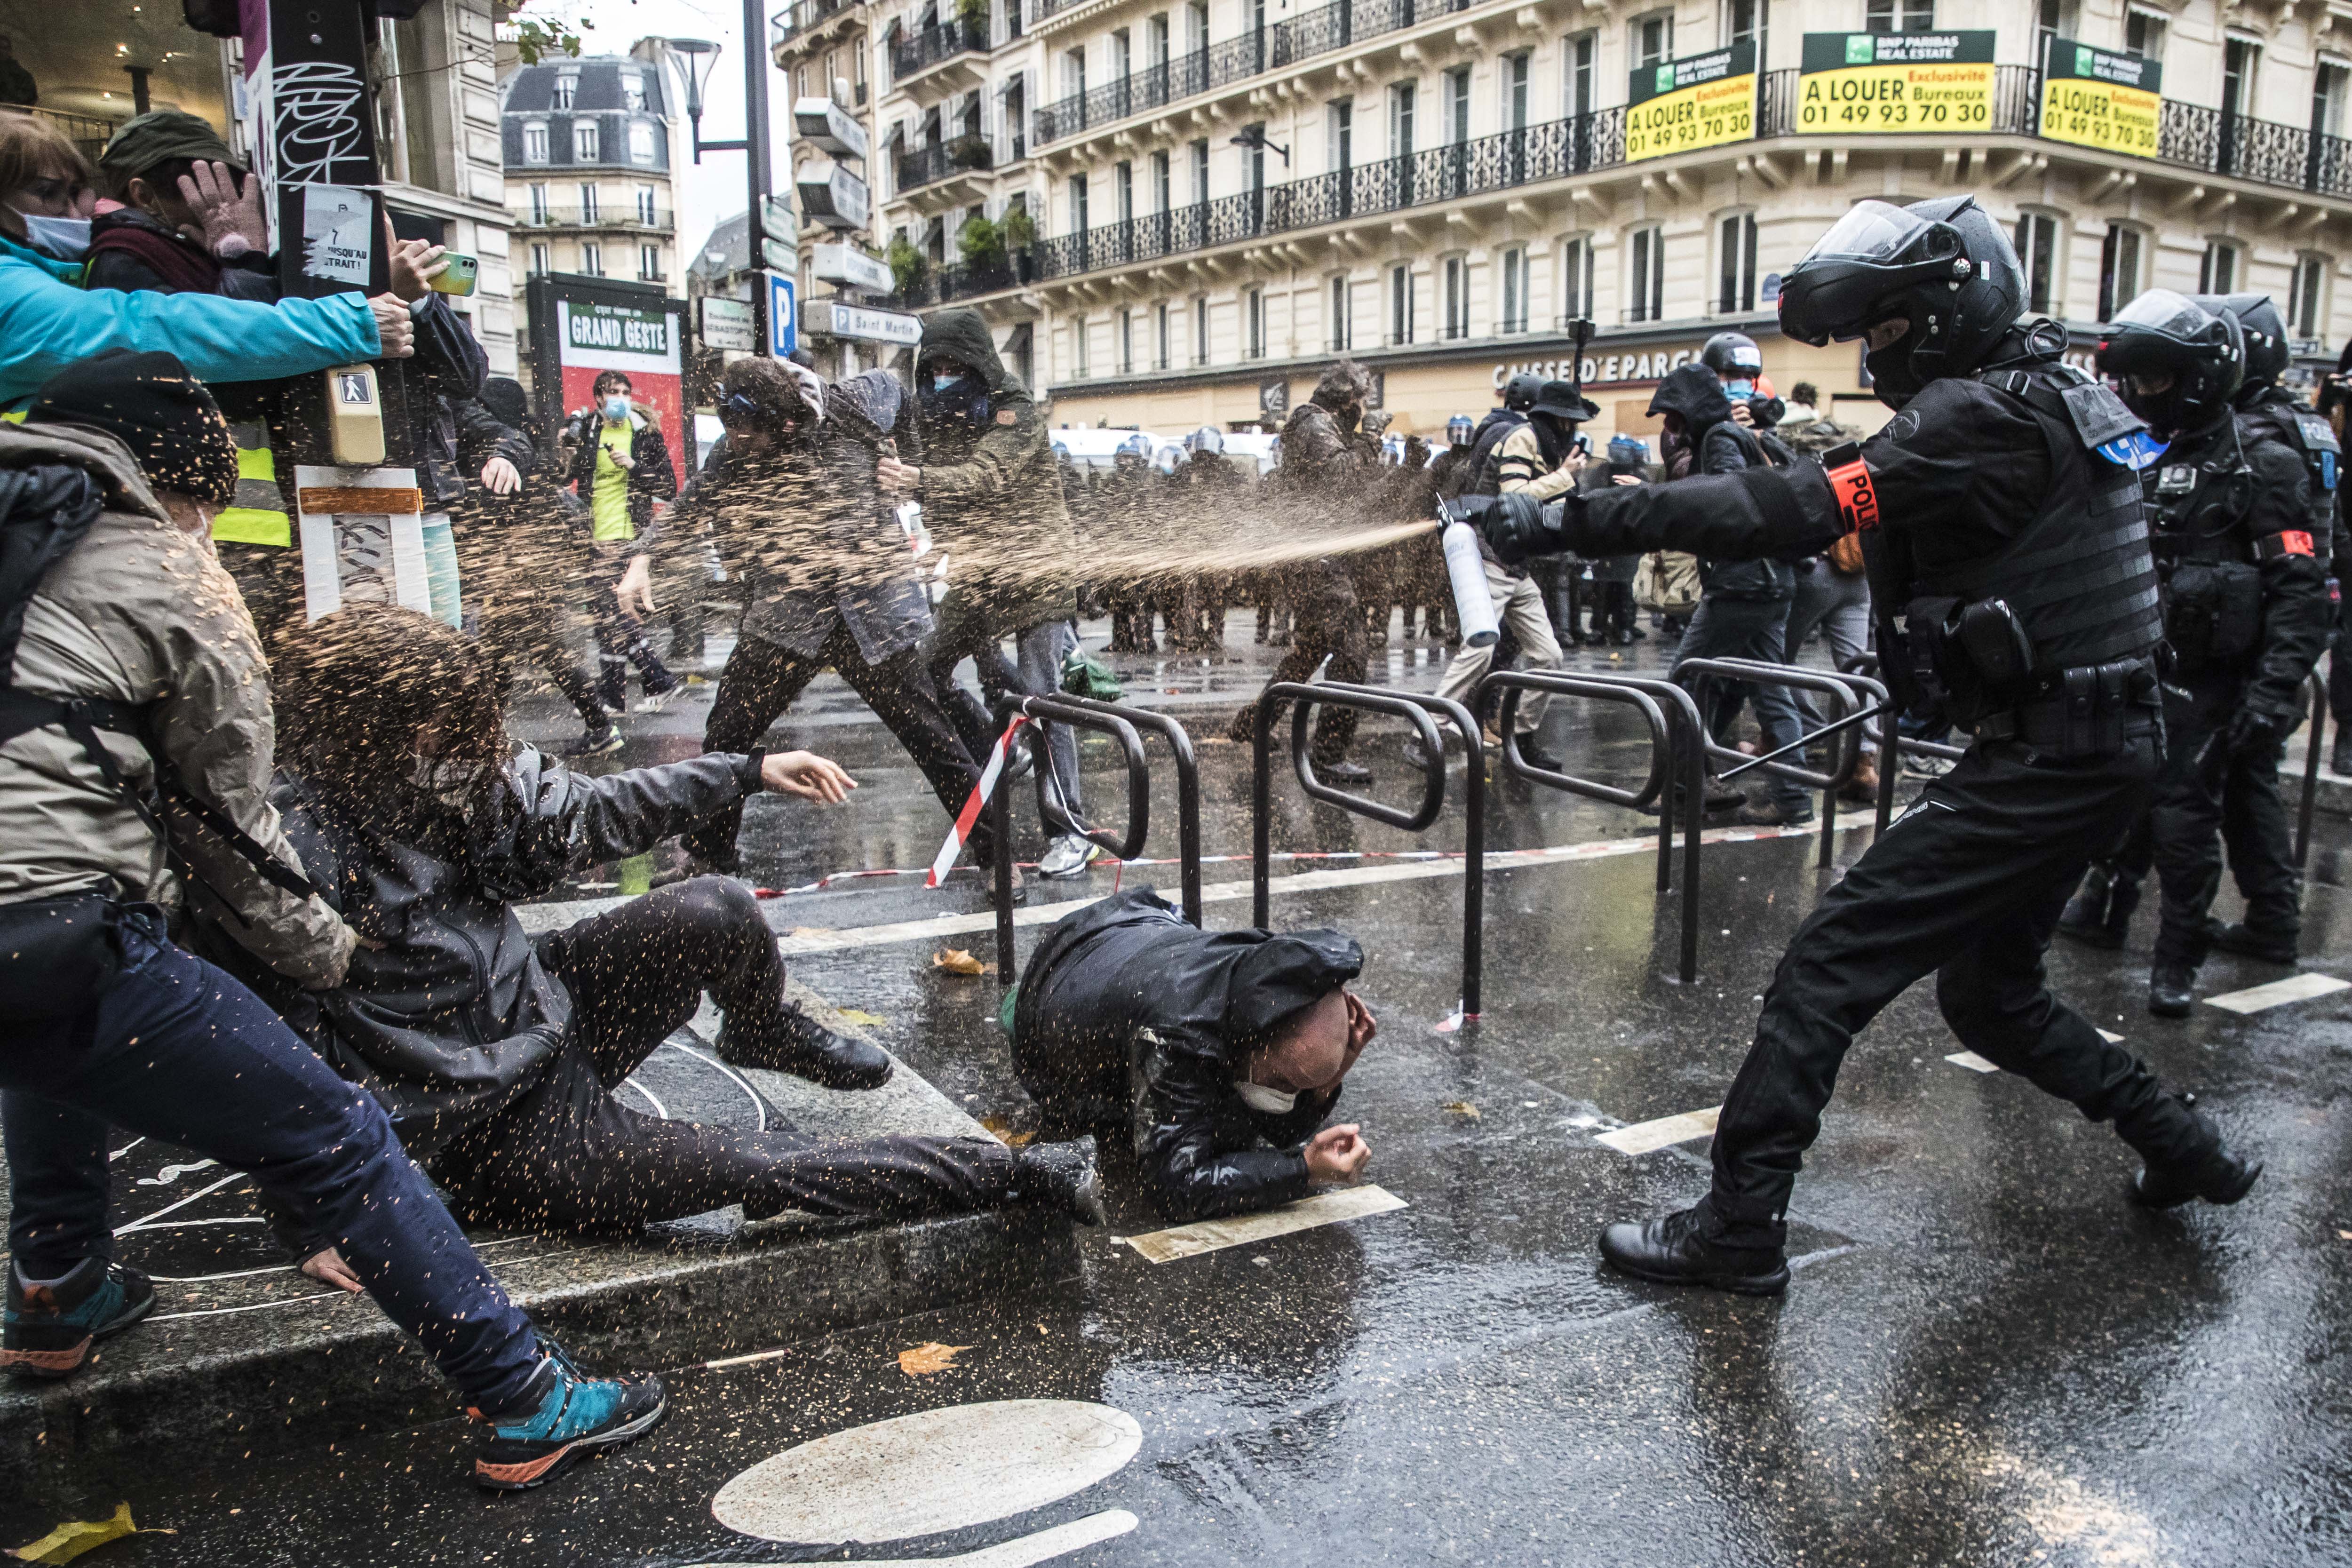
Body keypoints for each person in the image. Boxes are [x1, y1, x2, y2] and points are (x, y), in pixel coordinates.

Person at [1464, 195, 2257, 1295]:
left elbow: (1786, 507)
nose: (1875, 353)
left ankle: (1739, 1229)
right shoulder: (2058, 396)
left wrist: (1566, 522)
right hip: (2093, 743)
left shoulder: (1978, 418)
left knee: (1826, 963)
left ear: (1942, 310)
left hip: (2052, 753)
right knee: (1993, 997)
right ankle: (2187, 1149)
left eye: (1884, 329)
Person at [0, 351, 656, 1489]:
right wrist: (325, 952)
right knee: (337, 1136)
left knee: (46, 1046)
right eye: (209, 504)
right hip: (49, 917)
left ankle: (58, 1288)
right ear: (173, 480)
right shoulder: (155, 561)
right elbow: (229, 820)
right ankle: (524, 1397)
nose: (210, 529)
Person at [205, 604, 1105, 1247]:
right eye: (455, 738)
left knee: (717, 904)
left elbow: (587, 810)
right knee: (759, 1165)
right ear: (373, 734)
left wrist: (747, 769)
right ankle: (1022, 1173)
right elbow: (259, 1038)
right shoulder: (277, 850)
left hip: (540, 1014)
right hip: (484, 1130)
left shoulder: (459, 764)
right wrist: (324, 1205)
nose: (481, 756)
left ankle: (760, 1029)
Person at [2052, 291, 2330, 1015]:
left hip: (2214, 679)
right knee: (2120, 795)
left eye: (2157, 382)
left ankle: (2177, 960)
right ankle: (2106, 911)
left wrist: (2273, 693)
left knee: (2184, 820)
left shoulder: (2263, 463)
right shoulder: (2144, 451)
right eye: (2138, 383)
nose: (2145, 396)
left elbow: (2299, 590)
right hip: (2142, 664)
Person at [668, 358, 994, 881]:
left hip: (870, 616)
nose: (744, 441)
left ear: (789, 420)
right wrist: (642, 559)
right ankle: (710, 856)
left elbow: (902, 397)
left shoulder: (862, 399)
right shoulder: (735, 445)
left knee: (932, 739)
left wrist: (905, 470)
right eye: (736, 431)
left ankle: (996, 852)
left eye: (759, 433)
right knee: (727, 734)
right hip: (786, 619)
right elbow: (693, 502)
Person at [0, 111, 415, 408]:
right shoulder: (22, 288)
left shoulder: (53, 271)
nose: (75, 214)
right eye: (49, 193)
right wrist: (349, 322)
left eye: (77, 194)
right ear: (145, 196)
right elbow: (157, 329)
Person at [878, 308, 1092, 882]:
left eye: (954, 366)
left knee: (1044, 699)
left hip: (1038, 572)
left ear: (977, 364)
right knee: (925, 669)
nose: (943, 376)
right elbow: (955, 503)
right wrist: (939, 547)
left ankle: (1070, 830)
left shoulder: (1015, 410)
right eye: (935, 367)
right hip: (981, 574)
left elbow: (988, 477)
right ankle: (1002, 747)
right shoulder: (940, 416)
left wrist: (916, 481)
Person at [1009, 889, 1374, 1218]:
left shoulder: (1275, 973)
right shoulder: (1176, 1033)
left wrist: (1329, 1079)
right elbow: (1177, 1187)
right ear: (1253, 1037)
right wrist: (1303, 1170)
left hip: (1138, 930)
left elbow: (1275, 1124)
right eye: (1283, 1080)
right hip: (1053, 990)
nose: (1287, 1095)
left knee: (1229, 1118)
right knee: (1220, 1127)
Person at [2202, 293, 2338, 964]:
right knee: (2240, 780)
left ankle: (2274, 920)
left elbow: (2296, 569)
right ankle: (2271, 917)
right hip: (2272, 627)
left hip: (2260, 635)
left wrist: (2272, 682)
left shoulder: (2259, 438)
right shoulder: (2301, 424)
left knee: (2241, 779)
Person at [1650, 360, 1811, 826]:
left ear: (1688, 410)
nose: (1669, 428)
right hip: (1771, 581)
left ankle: (1689, 787)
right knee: (1770, 692)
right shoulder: (1738, 436)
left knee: (1682, 685)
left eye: (1671, 417)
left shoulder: (1719, 438)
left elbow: (1728, 502)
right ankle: (1793, 799)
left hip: (1742, 583)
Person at [1421, 377, 1584, 771]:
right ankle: (1426, 732)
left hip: (1517, 565)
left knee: (1549, 656)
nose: (1573, 430)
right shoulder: (1522, 438)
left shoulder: (1542, 443)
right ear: (1556, 420)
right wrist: (1565, 476)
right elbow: (1512, 499)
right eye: (1568, 422)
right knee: (1479, 651)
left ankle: (1521, 736)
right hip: (1493, 559)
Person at [1228, 359, 1379, 782]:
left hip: (1313, 557)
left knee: (1310, 651)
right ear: (1347, 397)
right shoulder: (1316, 426)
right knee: (1350, 654)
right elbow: (1338, 478)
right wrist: (1370, 440)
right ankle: (1328, 755)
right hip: (1316, 562)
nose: (1363, 408)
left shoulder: (1316, 426)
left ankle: (1254, 724)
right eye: (1361, 400)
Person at [564, 369, 680, 714]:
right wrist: (565, 451)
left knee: (613, 612)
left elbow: (668, 489)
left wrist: (632, 466)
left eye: (626, 393)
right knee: (607, 617)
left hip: (631, 537)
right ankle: (624, 693)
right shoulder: (587, 431)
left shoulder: (645, 434)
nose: (621, 399)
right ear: (598, 398)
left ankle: (653, 681)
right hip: (593, 537)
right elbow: (566, 476)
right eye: (613, 392)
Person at [1580, 434, 1651, 647]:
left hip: (1628, 538)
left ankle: (1625, 626)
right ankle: (1601, 626)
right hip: (1607, 537)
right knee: (1602, 586)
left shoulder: (1639, 475)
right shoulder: (1600, 473)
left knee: (1625, 585)